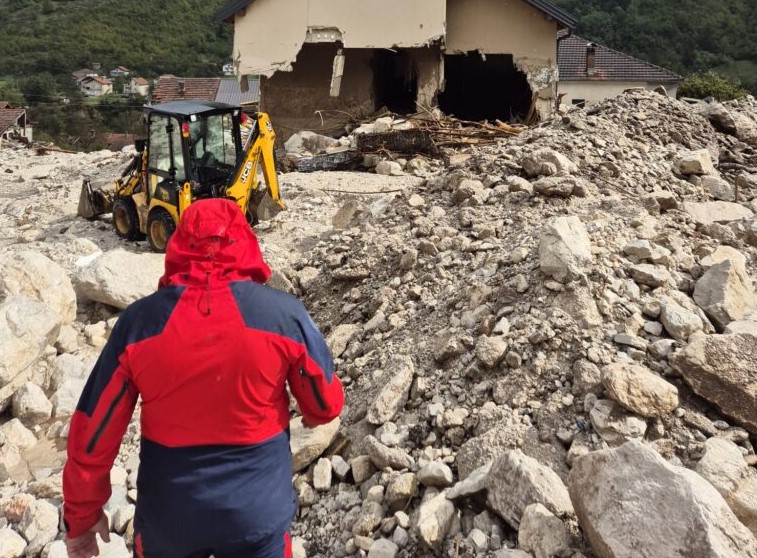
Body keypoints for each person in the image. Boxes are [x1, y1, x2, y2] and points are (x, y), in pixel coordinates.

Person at [62, 198, 344, 558]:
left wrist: (81, 518)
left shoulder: (138, 323)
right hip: (256, 514)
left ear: (178, 245)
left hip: (169, 518)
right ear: (245, 243)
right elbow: (325, 405)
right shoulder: (284, 315)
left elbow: (92, 431)